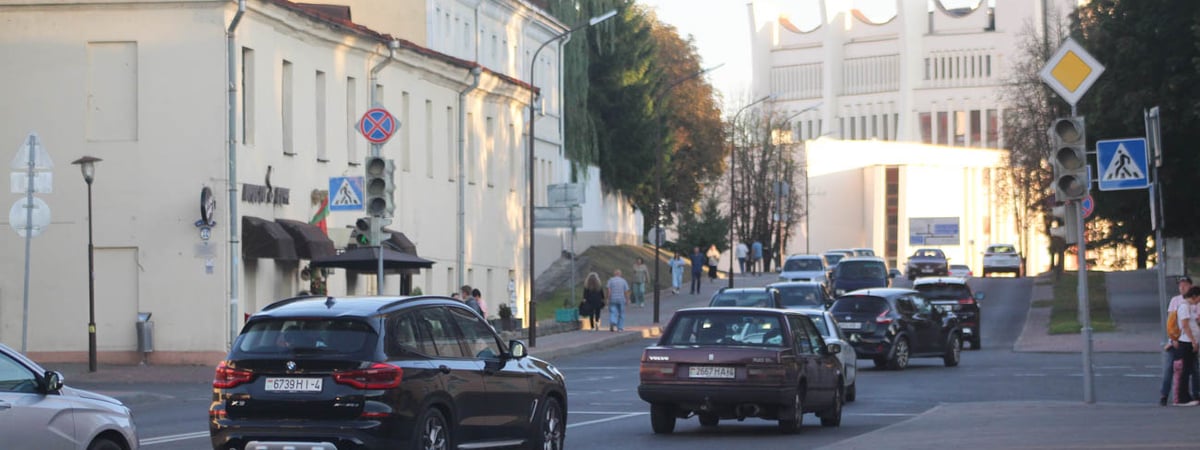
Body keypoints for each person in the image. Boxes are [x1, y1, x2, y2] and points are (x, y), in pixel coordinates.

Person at [1162, 276, 1195, 406]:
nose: (1182, 287)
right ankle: (1164, 394)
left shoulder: (1195, 301)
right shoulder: (1175, 300)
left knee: (1192, 369)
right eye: (1180, 285)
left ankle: (1193, 394)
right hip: (1177, 340)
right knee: (1170, 368)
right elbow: (1171, 322)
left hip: (1189, 341)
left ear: (1190, 286)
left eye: (1185, 285)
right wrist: (1173, 338)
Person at [1173, 286, 1200, 406]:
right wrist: (1193, 341)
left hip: (1189, 342)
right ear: (1194, 296)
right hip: (1186, 342)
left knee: (1188, 369)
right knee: (1185, 370)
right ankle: (1182, 397)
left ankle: (1186, 396)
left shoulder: (1189, 307)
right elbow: (1185, 326)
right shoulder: (1184, 307)